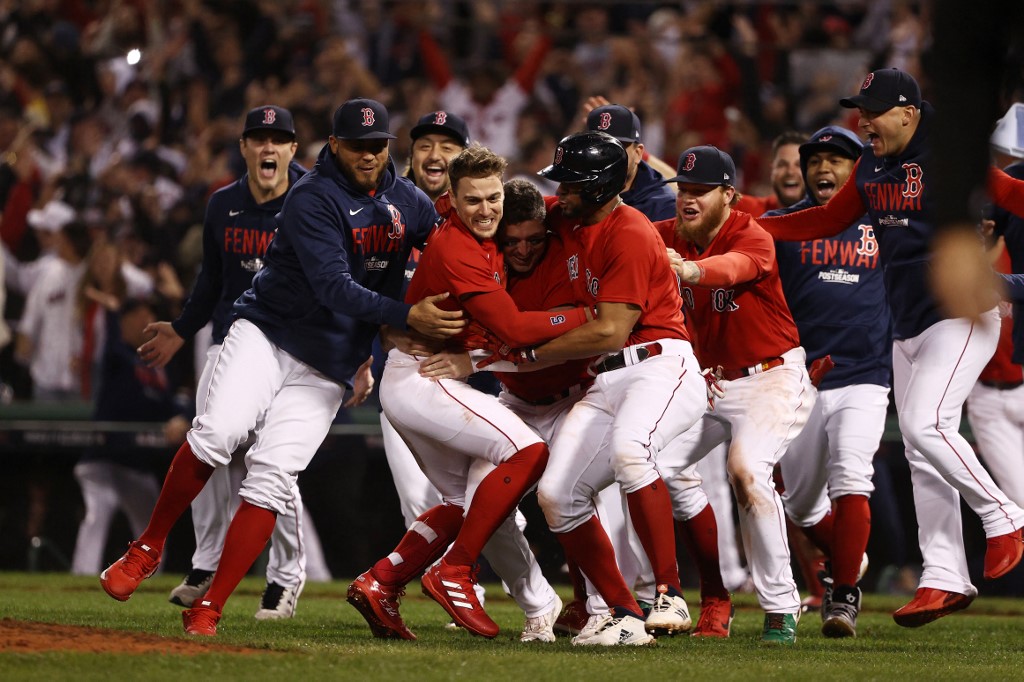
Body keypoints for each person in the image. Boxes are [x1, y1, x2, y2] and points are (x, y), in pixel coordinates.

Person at [99, 97, 465, 636]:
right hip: (269, 334)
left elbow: (442, 254)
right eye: (357, 146)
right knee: (218, 433)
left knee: (271, 479)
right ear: (334, 145)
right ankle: (148, 546)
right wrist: (409, 314)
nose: (368, 156)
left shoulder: (410, 202)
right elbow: (334, 287)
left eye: (376, 147)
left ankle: (211, 608)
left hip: (328, 365)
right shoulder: (311, 196)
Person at [758, 68, 1024, 627]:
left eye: (874, 111)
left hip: (960, 313)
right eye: (861, 109)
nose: (863, 121)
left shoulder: (949, 155)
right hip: (907, 327)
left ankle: (1005, 518)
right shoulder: (873, 163)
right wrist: (757, 226)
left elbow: (1014, 197)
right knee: (922, 456)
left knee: (926, 425)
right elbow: (826, 220)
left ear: (909, 112)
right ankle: (945, 577)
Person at [347, 147, 591, 641]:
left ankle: (383, 580)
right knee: (529, 451)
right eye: (473, 200)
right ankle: (454, 569)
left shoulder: (463, 221)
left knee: (467, 500)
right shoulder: (460, 248)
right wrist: (588, 316)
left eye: (493, 197)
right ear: (453, 202)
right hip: (422, 377)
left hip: (422, 377)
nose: (486, 209)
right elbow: (518, 329)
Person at [517, 131, 708, 646]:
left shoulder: (629, 231)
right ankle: (623, 610)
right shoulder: (571, 216)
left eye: (572, 184)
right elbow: (520, 210)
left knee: (631, 450)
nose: (563, 193)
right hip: (607, 376)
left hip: (660, 363)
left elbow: (611, 329)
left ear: (600, 185)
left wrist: (530, 354)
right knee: (557, 495)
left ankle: (669, 592)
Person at [135, 105, 318, 619]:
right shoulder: (222, 204)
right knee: (208, 440)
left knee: (272, 460)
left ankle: (285, 577)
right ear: (243, 148)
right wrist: (181, 329)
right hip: (230, 336)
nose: (268, 148)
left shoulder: (313, 199)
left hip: (292, 344)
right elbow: (210, 283)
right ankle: (206, 563)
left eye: (278, 139)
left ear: (292, 149)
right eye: (258, 139)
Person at [652, 145, 814, 644]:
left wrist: (688, 270)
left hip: (769, 376)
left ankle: (782, 605)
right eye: (683, 189)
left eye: (701, 191)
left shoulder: (751, 231)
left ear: (728, 194)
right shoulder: (666, 234)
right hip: (708, 381)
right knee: (653, 463)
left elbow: (734, 268)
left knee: (746, 470)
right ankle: (714, 595)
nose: (689, 198)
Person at [766, 126, 891, 638]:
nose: (822, 168)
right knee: (798, 502)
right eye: (815, 160)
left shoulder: (886, 222)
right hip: (800, 379)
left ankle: (842, 596)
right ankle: (847, 555)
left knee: (851, 476)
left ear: (858, 169)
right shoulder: (783, 225)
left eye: (837, 160)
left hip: (864, 374)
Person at [71, 296, 190, 575]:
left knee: (152, 523)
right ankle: (82, 578)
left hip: (135, 462)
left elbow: (170, 403)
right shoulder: (117, 354)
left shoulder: (161, 368)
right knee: (100, 507)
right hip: (102, 457)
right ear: (123, 323)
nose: (144, 321)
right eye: (136, 315)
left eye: (148, 314)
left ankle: (147, 581)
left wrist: (183, 416)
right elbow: (113, 347)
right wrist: (113, 315)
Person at [14, 219, 91, 401]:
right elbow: (31, 316)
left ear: (73, 243)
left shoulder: (91, 275)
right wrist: (25, 340)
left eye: (62, 241)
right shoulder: (49, 273)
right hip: (46, 374)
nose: (58, 246)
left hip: (82, 377)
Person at [735, 131, 807, 216]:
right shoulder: (745, 210)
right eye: (782, 165)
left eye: (799, 165)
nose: (790, 172)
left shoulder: (824, 217)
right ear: (772, 169)